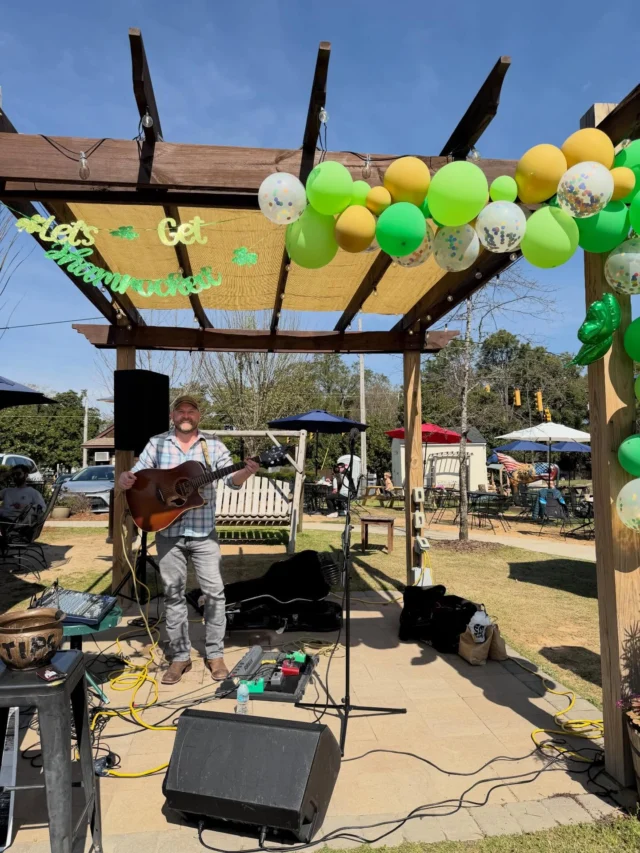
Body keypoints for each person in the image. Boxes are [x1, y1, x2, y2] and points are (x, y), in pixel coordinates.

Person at [118, 395, 259, 685]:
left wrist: (244, 472)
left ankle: (215, 654)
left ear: (199, 416)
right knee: (173, 594)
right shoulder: (157, 443)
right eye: (180, 410)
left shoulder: (214, 446)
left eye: (191, 411)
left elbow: (231, 482)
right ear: (172, 416)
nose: (186, 415)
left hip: (203, 532)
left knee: (216, 594)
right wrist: (125, 480)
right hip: (167, 531)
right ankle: (180, 658)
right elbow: (139, 477)